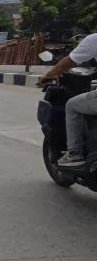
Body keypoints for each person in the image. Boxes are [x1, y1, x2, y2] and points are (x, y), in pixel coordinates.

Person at [39, 33, 97, 167]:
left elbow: (69, 62)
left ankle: (74, 153)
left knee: (71, 105)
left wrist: (47, 76)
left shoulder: (93, 39)